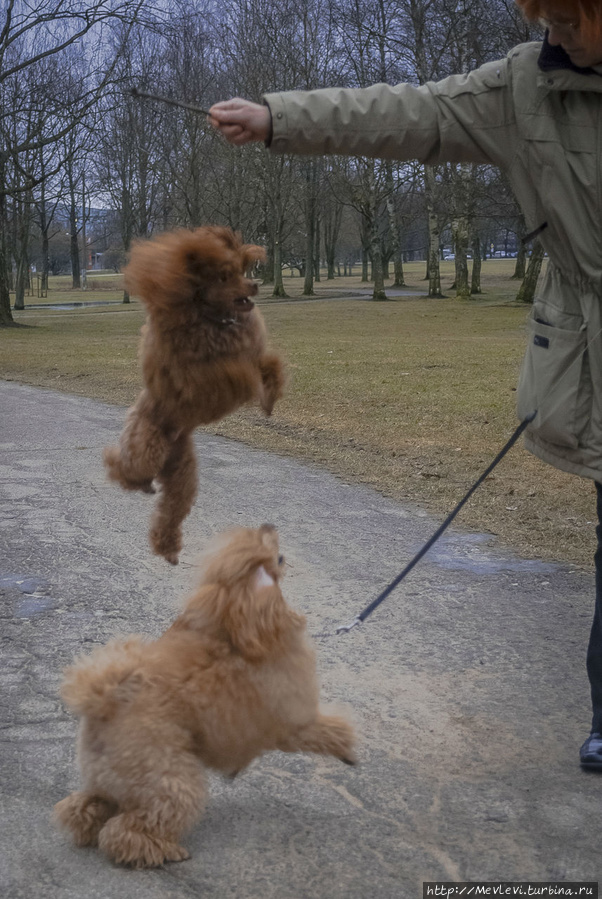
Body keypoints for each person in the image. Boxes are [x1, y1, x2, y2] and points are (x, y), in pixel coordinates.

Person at [209, 0, 602, 770]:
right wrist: (276, 118)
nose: (551, 32)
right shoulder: (523, 87)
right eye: (544, 15)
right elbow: (405, 112)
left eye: (568, 17)